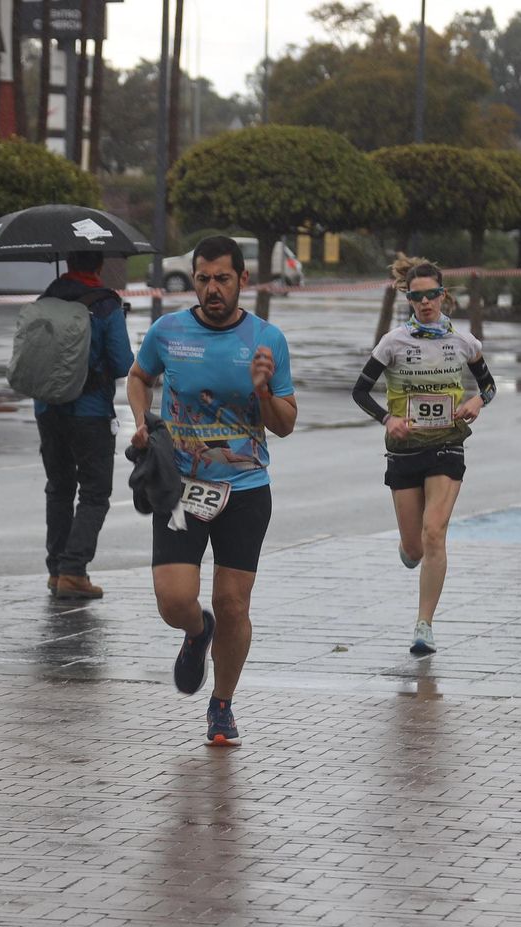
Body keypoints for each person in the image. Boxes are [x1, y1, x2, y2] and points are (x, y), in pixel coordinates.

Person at [127, 235, 297, 746]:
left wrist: (262, 390)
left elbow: (285, 424)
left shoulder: (267, 339)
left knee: (233, 603)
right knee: (173, 599)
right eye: (203, 279)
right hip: (180, 486)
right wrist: (141, 420)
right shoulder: (169, 331)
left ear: (243, 279)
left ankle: (221, 705)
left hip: (245, 489)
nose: (212, 289)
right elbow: (138, 377)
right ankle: (196, 632)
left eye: (222, 279)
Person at [351, 259, 496, 655]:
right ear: (409, 299)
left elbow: (488, 387)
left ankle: (424, 625)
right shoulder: (393, 342)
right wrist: (387, 419)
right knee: (415, 547)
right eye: (417, 297)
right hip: (404, 450)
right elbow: (359, 391)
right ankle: (408, 549)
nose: (426, 302)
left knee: (435, 533)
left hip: (447, 444)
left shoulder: (464, 342)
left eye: (432, 295)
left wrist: (477, 401)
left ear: (443, 295)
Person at [32, 250, 135, 600]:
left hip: (46, 407)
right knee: (94, 493)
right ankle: (74, 571)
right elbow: (122, 362)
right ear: (100, 265)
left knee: (59, 487)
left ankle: (56, 569)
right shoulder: (105, 304)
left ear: (68, 262)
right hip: (89, 411)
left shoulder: (45, 300)